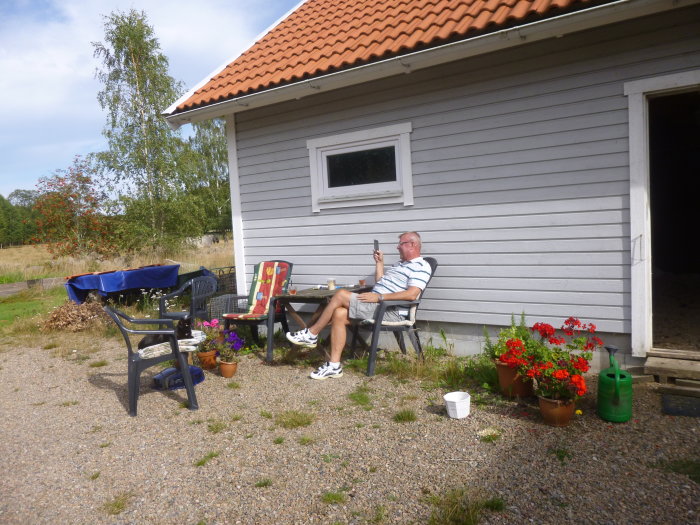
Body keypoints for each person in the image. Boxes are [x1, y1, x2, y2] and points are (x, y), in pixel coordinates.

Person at [286, 231, 432, 380]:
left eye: (401, 243)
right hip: (377, 304)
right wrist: (379, 263)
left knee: (341, 294)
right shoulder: (400, 265)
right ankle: (334, 366)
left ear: (412, 244)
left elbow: (411, 294)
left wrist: (379, 297)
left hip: (389, 310)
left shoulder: (421, 266)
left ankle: (312, 334)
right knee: (339, 313)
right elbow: (381, 282)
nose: (397, 247)